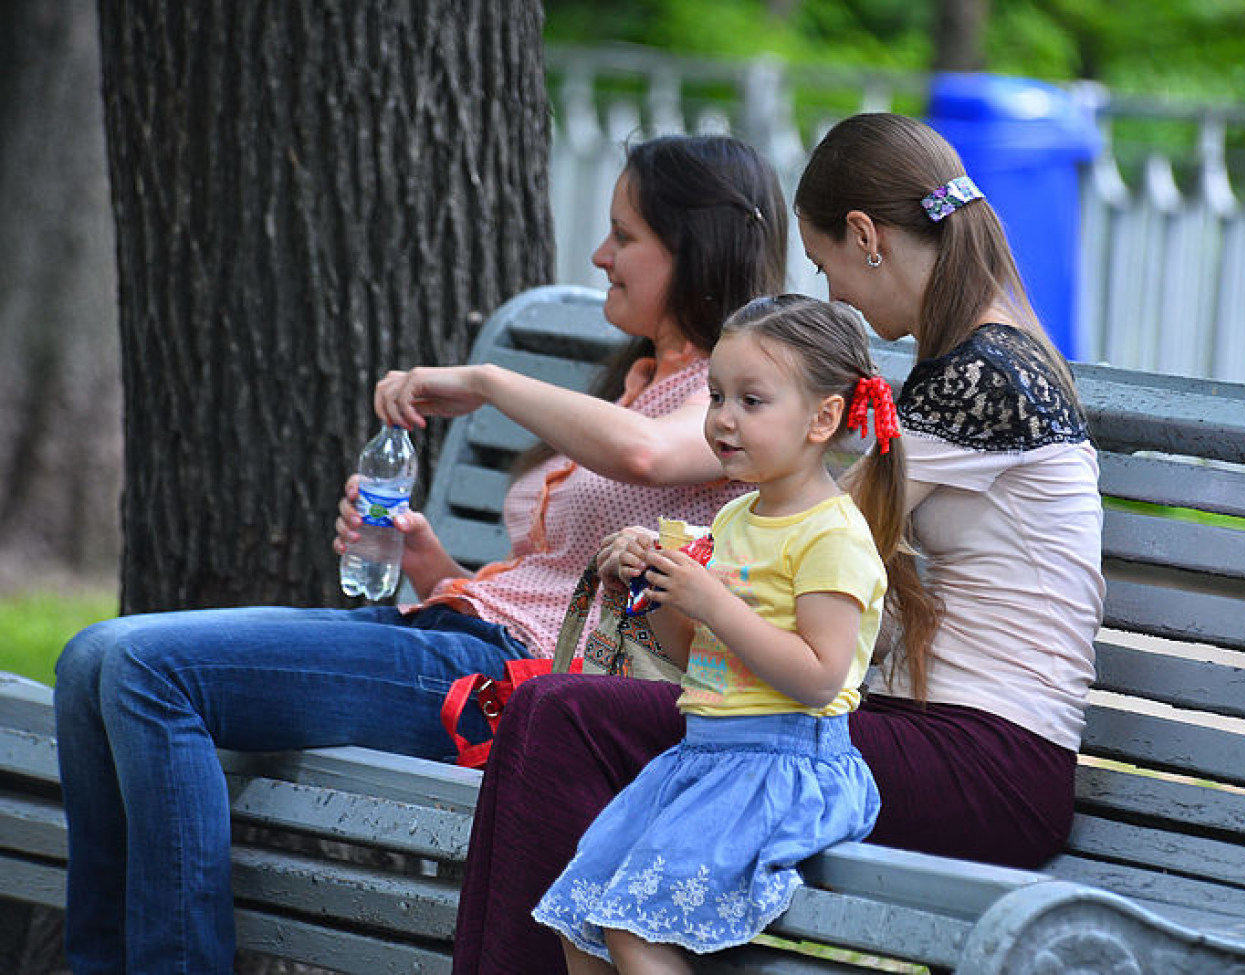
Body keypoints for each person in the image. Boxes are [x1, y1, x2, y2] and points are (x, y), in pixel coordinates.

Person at [52, 133, 788, 975]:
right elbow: (554, 573)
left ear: (695, 246)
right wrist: (432, 565)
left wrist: (484, 382)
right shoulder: (645, 379)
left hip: (507, 685)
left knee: (149, 672)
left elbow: (647, 459)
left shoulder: (737, 399)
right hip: (453, 635)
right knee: (88, 660)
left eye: (625, 235)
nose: (600, 253)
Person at [452, 112, 1105, 975]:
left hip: (982, 765)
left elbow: (806, 529)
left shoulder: (984, 377)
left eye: (829, 266)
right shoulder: (983, 360)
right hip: (927, 737)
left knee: (563, 716)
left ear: (866, 237)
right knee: (563, 719)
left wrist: (681, 558)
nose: (835, 297)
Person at [533, 294, 918, 973]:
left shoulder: (832, 534)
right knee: (580, 912)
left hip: (785, 767)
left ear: (823, 418)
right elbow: (695, 659)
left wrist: (712, 601)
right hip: (704, 758)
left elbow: (821, 675)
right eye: (716, 396)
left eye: (752, 400)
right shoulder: (738, 519)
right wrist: (649, 594)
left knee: (633, 928)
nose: (723, 418)